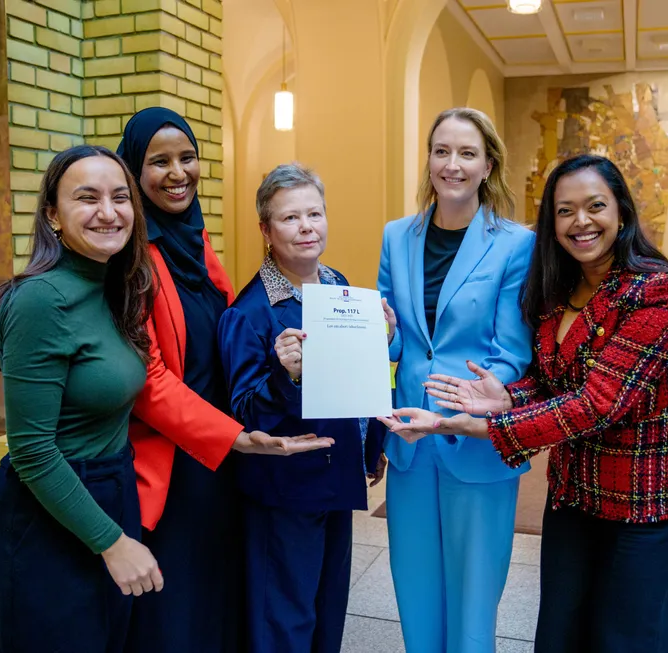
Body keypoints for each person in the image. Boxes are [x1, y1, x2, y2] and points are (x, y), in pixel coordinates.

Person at [386, 154, 668, 653]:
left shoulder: (661, 293)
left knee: (627, 637)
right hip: (575, 493)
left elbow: (599, 402)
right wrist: (502, 397)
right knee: (560, 634)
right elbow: (548, 381)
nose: (581, 222)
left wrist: (496, 428)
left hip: (646, 499)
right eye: (564, 211)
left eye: (595, 206)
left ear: (621, 211)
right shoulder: (559, 292)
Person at [116, 108, 333, 652]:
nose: (177, 172)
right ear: (132, 172)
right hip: (179, 458)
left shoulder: (197, 243)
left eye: (186, 158)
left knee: (226, 601)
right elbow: (150, 382)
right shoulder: (131, 262)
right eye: (158, 161)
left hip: (223, 453)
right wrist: (231, 436)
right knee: (180, 608)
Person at [0, 145, 162, 653]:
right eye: (87, 198)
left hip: (111, 490)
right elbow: (33, 452)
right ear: (52, 216)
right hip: (50, 514)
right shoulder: (39, 299)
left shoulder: (114, 287)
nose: (108, 212)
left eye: (120, 197)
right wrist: (111, 541)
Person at [377, 107, 535, 652]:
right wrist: (385, 334)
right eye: (441, 151)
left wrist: (457, 412)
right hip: (410, 442)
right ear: (428, 160)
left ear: (488, 164)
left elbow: (512, 352)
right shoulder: (396, 237)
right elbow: (396, 346)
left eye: (467, 153)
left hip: (473, 440)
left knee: (472, 600)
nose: (452, 164)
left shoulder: (516, 243)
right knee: (415, 590)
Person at [218, 163, 388, 653]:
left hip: (334, 477)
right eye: (290, 218)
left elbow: (355, 383)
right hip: (285, 489)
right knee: (284, 620)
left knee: (327, 610)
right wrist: (286, 375)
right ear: (265, 230)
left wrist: (384, 341)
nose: (307, 226)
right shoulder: (248, 314)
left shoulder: (340, 287)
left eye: (315, 213)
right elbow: (244, 415)